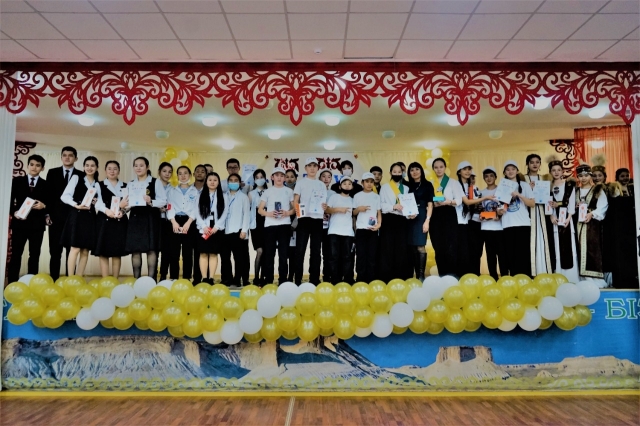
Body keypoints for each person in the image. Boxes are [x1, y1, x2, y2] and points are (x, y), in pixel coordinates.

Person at [8, 154, 49, 283]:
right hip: (19, 224)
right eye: (31, 164)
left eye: (38, 165)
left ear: (42, 168)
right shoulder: (17, 181)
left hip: (37, 225)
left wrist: (44, 206)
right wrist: (14, 212)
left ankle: (32, 283)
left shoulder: (46, 184)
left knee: (34, 255)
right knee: (16, 254)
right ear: (27, 165)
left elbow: (51, 204)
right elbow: (9, 200)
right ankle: (12, 283)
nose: (34, 167)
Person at [45, 146, 84, 280]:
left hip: (74, 217)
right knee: (55, 251)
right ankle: (53, 280)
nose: (67, 158)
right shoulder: (52, 172)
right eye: (64, 155)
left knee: (71, 251)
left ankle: (70, 280)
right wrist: (47, 214)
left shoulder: (81, 174)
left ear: (76, 158)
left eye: (70, 155)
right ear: (61, 157)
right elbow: (48, 195)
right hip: (55, 217)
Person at [125, 157, 167, 279]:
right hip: (135, 218)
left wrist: (151, 201)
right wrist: (125, 206)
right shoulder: (131, 184)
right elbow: (126, 204)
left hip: (151, 218)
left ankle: (152, 280)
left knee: (152, 249)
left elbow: (163, 200)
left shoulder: (155, 182)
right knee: (135, 250)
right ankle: (136, 279)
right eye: (136, 165)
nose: (138, 168)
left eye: (141, 165)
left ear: (147, 167)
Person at [60, 156, 101, 277]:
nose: (89, 168)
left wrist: (96, 202)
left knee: (85, 250)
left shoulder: (98, 184)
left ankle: (79, 278)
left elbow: (100, 203)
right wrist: (76, 205)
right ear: (83, 167)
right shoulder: (76, 178)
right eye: (87, 165)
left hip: (90, 217)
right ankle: (70, 278)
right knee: (75, 248)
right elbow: (64, 196)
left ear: (97, 167)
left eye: (92, 165)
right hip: (77, 216)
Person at [293, 157, 327, 284]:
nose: (312, 168)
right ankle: (297, 279)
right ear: (305, 168)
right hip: (304, 219)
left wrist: (325, 207)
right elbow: (296, 201)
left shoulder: (321, 184)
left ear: (318, 168)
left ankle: (314, 279)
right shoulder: (301, 183)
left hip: (317, 219)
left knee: (316, 251)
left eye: (314, 166)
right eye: (309, 166)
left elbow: (323, 202)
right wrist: (300, 215)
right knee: (300, 250)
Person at [545, 157, 579, 283]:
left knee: (569, 247)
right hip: (554, 220)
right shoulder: (547, 186)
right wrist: (551, 216)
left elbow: (571, 203)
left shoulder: (569, 185)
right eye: (553, 170)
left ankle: (571, 277)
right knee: (556, 247)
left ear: (562, 171)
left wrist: (569, 218)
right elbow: (546, 203)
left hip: (566, 220)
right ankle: (559, 276)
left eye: (559, 170)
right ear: (550, 172)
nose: (556, 172)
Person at [258, 167, 295, 285]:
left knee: (283, 254)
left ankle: (283, 280)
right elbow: (260, 210)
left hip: (284, 225)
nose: (279, 177)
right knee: (269, 254)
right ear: (272, 177)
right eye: (277, 175)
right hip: (270, 225)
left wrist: (287, 213)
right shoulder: (267, 192)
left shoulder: (289, 191)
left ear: (284, 178)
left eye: (282, 175)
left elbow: (296, 209)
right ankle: (268, 280)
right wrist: (269, 214)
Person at [499, 160, 535, 277]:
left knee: (523, 254)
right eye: (508, 169)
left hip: (523, 224)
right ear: (504, 172)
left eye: (513, 169)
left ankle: (526, 278)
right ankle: (514, 279)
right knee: (511, 255)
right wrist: (500, 211)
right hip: (507, 224)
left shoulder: (524, 185)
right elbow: (499, 207)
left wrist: (519, 195)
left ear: (517, 171)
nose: (510, 171)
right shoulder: (502, 186)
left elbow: (532, 203)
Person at [456, 161, 492, 277]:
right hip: (461, 222)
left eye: (473, 177)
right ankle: (465, 275)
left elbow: (479, 206)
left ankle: (475, 274)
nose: (471, 178)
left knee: (476, 251)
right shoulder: (456, 185)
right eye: (465, 170)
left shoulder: (476, 189)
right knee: (464, 250)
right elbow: (467, 202)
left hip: (476, 222)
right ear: (459, 172)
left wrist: (480, 206)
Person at [94, 161, 129, 278]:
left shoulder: (125, 186)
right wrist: (106, 211)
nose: (112, 171)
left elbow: (129, 203)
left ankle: (115, 280)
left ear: (119, 171)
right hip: (104, 220)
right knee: (103, 251)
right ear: (105, 171)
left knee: (117, 252)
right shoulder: (99, 185)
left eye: (115, 169)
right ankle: (105, 280)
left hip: (119, 221)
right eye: (109, 168)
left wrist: (122, 211)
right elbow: (97, 202)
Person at [429, 158, 463, 277]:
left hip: (449, 214)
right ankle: (442, 276)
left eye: (441, 167)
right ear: (433, 169)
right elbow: (428, 201)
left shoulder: (453, 182)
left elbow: (459, 200)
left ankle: (452, 276)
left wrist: (448, 201)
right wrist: (434, 204)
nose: (439, 169)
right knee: (438, 247)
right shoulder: (430, 183)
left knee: (451, 247)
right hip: (435, 215)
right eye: (436, 167)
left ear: (445, 168)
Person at [575, 163, 608, 280]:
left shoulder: (597, 189)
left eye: (586, 175)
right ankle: (579, 278)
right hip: (577, 224)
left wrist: (592, 213)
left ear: (590, 176)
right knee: (577, 249)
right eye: (580, 176)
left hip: (592, 225)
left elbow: (603, 206)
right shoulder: (575, 191)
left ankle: (593, 278)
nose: (583, 178)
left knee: (592, 249)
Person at [379, 163, 411, 282]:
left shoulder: (406, 188)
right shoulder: (384, 187)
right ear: (390, 173)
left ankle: (400, 277)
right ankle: (387, 277)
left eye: (399, 172)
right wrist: (393, 206)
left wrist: (410, 213)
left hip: (402, 221)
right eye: (394, 172)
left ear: (402, 173)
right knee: (387, 248)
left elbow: (408, 206)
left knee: (401, 248)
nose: (397, 174)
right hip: (388, 219)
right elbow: (381, 205)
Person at [166, 166, 199, 281]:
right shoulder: (172, 190)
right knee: (174, 251)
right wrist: (173, 222)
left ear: (190, 175)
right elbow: (169, 207)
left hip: (189, 222)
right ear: (177, 176)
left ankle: (186, 277)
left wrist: (188, 223)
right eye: (180, 173)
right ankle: (173, 277)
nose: (183, 176)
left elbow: (196, 208)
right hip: (174, 221)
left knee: (188, 252)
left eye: (185, 173)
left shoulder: (195, 191)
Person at [522, 154, 553, 276]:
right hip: (527, 213)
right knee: (529, 241)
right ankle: (531, 272)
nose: (535, 164)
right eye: (532, 162)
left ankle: (544, 270)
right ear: (527, 164)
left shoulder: (545, 178)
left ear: (540, 164)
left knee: (544, 239)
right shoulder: (522, 178)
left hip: (543, 213)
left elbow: (549, 196)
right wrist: (527, 188)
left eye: (537, 162)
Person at [196, 172, 229, 284]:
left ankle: (211, 278)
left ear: (218, 182)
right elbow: (197, 212)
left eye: (215, 180)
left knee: (214, 253)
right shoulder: (200, 195)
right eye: (210, 180)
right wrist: (203, 226)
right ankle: (204, 278)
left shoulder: (224, 196)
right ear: (206, 182)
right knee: (203, 253)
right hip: (203, 229)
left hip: (216, 229)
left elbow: (225, 212)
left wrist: (217, 226)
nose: (212, 182)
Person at [406, 162, 434, 281]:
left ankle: (421, 276)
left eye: (417, 169)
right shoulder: (407, 185)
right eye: (412, 170)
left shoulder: (427, 185)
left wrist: (427, 221)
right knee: (412, 247)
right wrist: (407, 214)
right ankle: (414, 274)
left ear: (421, 170)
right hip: (409, 217)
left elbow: (430, 204)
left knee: (420, 246)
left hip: (422, 216)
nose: (415, 172)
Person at [223, 173, 251, 286]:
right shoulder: (223, 196)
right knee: (225, 257)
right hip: (225, 231)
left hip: (238, 231)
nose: (233, 182)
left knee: (239, 258)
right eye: (231, 180)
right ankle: (228, 278)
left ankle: (238, 279)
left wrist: (244, 230)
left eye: (236, 180)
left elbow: (246, 214)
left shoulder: (244, 197)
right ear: (228, 183)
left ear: (239, 183)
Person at [353, 172, 381, 283]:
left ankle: (371, 279)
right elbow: (353, 213)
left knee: (371, 255)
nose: (369, 184)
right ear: (362, 183)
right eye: (367, 182)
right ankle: (360, 279)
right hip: (361, 229)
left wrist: (379, 224)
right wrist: (359, 209)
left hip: (373, 229)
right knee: (360, 255)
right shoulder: (357, 196)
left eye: (371, 182)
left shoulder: (376, 196)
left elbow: (379, 212)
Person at [326, 177, 355, 284]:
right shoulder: (334, 197)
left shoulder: (353, 200)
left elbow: (354, 216)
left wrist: (355, 231)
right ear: (340, 186)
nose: (347, 186)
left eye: (349, 184)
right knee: (334, 257)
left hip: (348, 233)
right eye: (344, 184)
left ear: (352, 187)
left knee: (347, 257)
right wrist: (338, 209)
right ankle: (335, 280)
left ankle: (347, 280)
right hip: (334, 231)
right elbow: (327, 210)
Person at [478, 167, 506, 281]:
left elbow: (505, 207)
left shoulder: (501, 191)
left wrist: (498, 215)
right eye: (486, 176)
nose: (489, 178)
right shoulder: (481, 193)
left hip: (500, 228)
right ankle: (493, 278)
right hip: (486, 228)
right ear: (484, 178)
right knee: (490, 256)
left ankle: (505, 278)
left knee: (502, 255)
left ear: (495, 177)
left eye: (491, 176)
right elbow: (479, 211)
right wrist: (489, 215)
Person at [249, 169, 268, 285]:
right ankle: (256, 278)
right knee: (259, 251)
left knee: (266, 252)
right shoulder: (251, 193)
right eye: (257, 177)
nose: (259, 179)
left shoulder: (269, 191)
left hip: (267, 223)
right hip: (255, 224)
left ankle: (263, 277)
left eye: (261, 177)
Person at [157, 162, 174, 281]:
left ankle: (163, 275)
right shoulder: (153, 186)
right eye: (164, 171)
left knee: (167, 250)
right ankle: (153, 275)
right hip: (155, 220)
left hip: (168, 221)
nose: (167, 174)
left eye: (169, 172)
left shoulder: (173, 188)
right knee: (154, 249)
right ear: (159, 172)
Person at [319, 168, 336, 283]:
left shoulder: (333, 194)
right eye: (323, 176)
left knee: (328, 253)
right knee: (315, 253)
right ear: (319, 178)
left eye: (329, 177)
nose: (326, 179)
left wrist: (328, 212)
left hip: (329, 227)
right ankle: (314, 277)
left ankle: (327, 277)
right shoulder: (314, 191)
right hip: (316, 226)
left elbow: (334, 209)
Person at [191, 164, 207, 283]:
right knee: (193, 251)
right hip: (190, 223)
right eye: (197, 171)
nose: (200, 173)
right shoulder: (189, 189)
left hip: (205, 225)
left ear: (206, 174)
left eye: (202, 171)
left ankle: (206, 278)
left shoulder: (209, 190)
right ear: (193, 174)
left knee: (205, 251)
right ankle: (196, 278)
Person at [285, 169, 298, 282]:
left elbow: (300, 211)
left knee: (294, 254)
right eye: (287, 177)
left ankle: (291, 277)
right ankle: (283, 277)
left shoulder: (298, 194)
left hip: (296, 226)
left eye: (292, 177)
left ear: (296, 178)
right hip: (283, 225)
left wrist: (293, 226)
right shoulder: (282, 192)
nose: (289, 179)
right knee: (284, 253)